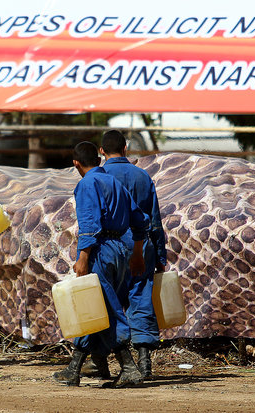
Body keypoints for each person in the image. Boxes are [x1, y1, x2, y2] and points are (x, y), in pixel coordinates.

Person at [53, 141, 149, 388]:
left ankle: (129, 368)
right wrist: (137, 253)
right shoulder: (114, 182)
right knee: (94, 308)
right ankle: (74, 368)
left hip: (100, 252)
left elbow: (89, 225)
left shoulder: (87, 184)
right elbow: (140, 220)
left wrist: (83, 258)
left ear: (76, 163)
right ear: (98, 159)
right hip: (121, 251)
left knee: (106, 308)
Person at [97, 129, 167, 379]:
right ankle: (145, 361)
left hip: (110, 247)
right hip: (142, 245)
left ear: (101, 151)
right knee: (141, 296)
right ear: (126, 148)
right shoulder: (142, 177)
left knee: (107, 302)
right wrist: (160, 256)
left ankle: (105, 362)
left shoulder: (98, 177)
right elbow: (155, 220)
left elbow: (91, 220)